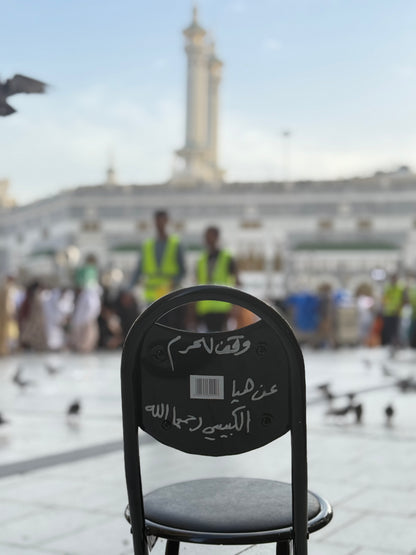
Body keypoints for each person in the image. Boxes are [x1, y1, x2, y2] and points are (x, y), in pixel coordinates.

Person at [130, 210, 185, 327]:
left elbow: (183, 270)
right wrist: (129, 289)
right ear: (154, 222)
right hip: (151, 295)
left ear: (167, 222)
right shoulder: (147, 245)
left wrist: (174, 282)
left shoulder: (175, 243)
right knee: (153, 327)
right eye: (158, 221)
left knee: (170, 327)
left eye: (163, 221)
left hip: (170, 294)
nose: (160, 224)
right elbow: (139, 269)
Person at [194, 226, 239, 332]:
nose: (208, 239)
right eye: (206, 237)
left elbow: (237, 281)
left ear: (217, 237)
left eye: (210, 236)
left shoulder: (227, 257)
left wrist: (235, 305)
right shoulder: (201, 259)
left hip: (223, 306)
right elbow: (196, 282)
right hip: (205, 307)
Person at [381, 273, 405, 349]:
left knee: (396, 330)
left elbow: (403, 299)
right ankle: (391, 343)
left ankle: (395, 343)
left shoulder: (400, 288)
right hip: (388, 312)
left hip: (397, 312)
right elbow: (384, 299)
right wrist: (385, 306)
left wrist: (399, 308)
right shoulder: (387, 288)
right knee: (389, 330)